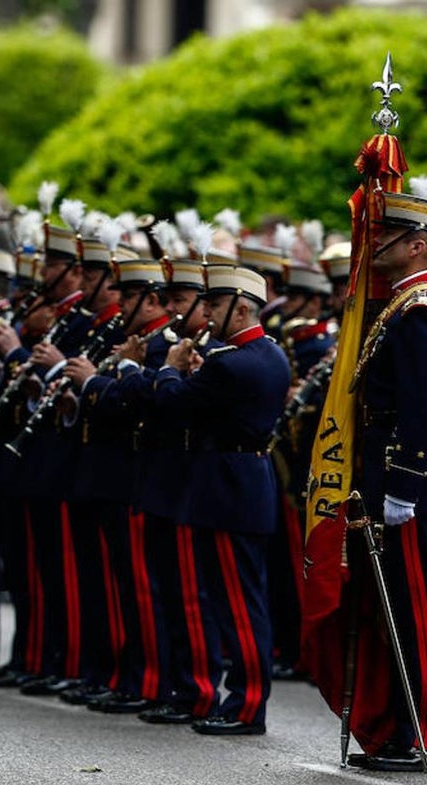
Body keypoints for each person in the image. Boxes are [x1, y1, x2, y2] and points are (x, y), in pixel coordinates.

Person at [345, 191, 427, 771]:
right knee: (395, 606)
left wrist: (405, 484)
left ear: (418, 245)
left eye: (384, 235)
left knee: (418, 612)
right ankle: (402, 730)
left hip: (409, 476)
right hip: (392, 468)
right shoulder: (401, 305)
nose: (372, 243)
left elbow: (422, 406)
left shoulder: (421, 311)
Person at [151, 264, 291, 735]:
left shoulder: (231, 363)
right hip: (243, 482)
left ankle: (248, 705)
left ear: (243, 307)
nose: (206, 312)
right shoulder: (266, 354)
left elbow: (174, 406)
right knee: (241, 600)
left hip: (228, 488)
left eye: (214, 304)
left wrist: (171, 371)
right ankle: (244, 700)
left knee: (238, 603)